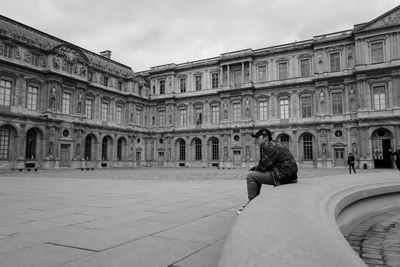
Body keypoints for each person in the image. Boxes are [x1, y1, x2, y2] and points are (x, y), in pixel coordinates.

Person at [237, 128, 298, 215]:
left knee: (251, 176)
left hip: (283, 177)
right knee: (256, 173)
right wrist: (257, 168)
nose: (257, 139)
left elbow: (262, 167)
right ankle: (255, 201)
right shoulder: (273, 146)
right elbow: (265, 165)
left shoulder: (271, 147)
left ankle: (251, 204)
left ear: (266, 138)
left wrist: (255, 169)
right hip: (287, 175)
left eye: (258, 137)